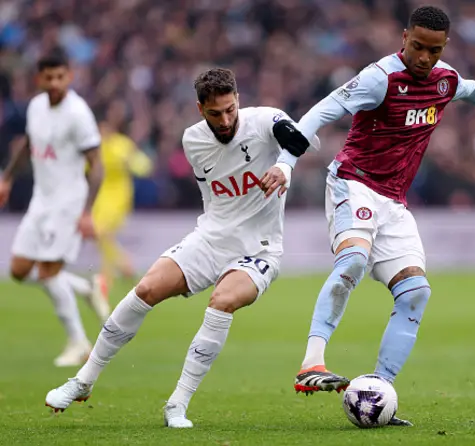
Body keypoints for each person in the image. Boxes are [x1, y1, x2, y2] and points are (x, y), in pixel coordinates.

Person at [261, 5, 475, 426]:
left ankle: (378, 390)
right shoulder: (379, 78)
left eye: (433, 50)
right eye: (417, 46)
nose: (423, 57)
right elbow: (324, 111)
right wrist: (286, 163)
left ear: (444, 47)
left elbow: (473, 90)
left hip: (394, 202)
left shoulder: (445, 80)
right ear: (404, 37)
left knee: (416, 293)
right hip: (354, 181)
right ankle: (312, 363)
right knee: (353, 261)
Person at [44, 67, 320, 428]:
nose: (225, 120)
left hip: (260, 248)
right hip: (211, 238)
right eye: (214, 113)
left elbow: (299, 140)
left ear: (239, 100)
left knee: (221, 301)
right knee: (145, 289)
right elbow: (215, 198)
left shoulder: (266, 120)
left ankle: (177, 403)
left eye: (230, 110)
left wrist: (284, 166)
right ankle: (83, 381)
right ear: (199, 109)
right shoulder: (193, 140)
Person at [0, 48, 109, 367]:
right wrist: (6, 179)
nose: (55, 83)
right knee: (19, 271)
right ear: (39, 78)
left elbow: (96, 165)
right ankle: (85, 286)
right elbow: (29, 145)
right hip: (42, 199)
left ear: (69, 76)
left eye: (60, 76)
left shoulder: (78, 113)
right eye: (48, 77)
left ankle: (79, 343)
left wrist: (87, 211)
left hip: (69, 201)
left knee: (48, 273)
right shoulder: (35, 107)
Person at [91, 118, 153, 293]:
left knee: (102, 232)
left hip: (119, 195)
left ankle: (110, 274)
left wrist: (132, 162)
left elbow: (143, 166)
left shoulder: (122, 145)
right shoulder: (95, 147)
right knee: (102, 236)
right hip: (101, 195)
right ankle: (118, 270)